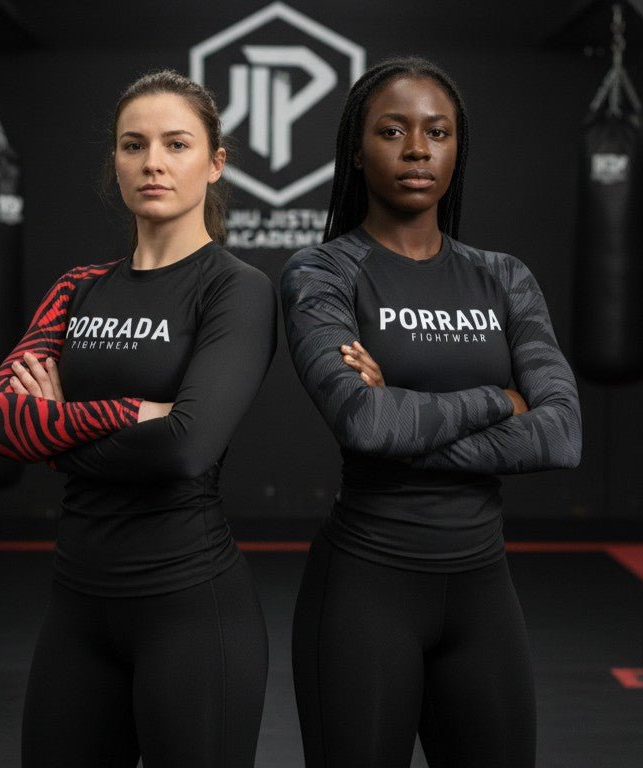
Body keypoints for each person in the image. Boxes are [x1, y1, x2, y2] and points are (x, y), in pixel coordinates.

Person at [281, 56, 582, 768]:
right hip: (363, 596)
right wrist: (498, 401)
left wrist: (406, 419)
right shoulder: (322, 273)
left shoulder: (504, 278)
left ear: (457, 148)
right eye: (393, 131)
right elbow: (364, 424)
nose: (417, 148)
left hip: (484, 595)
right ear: (357, 149)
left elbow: (562, 433)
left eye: (437, 132)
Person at [0, 70, 276, 768]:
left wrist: (53, 433)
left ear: (215, 161)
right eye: (133, 145)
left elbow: (184, 447)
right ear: (114, 162)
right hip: (76, 613)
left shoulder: (236, 289)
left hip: (191, 611)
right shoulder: (77, 288)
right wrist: (131, 411)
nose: (153, 163)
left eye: (176, 144)